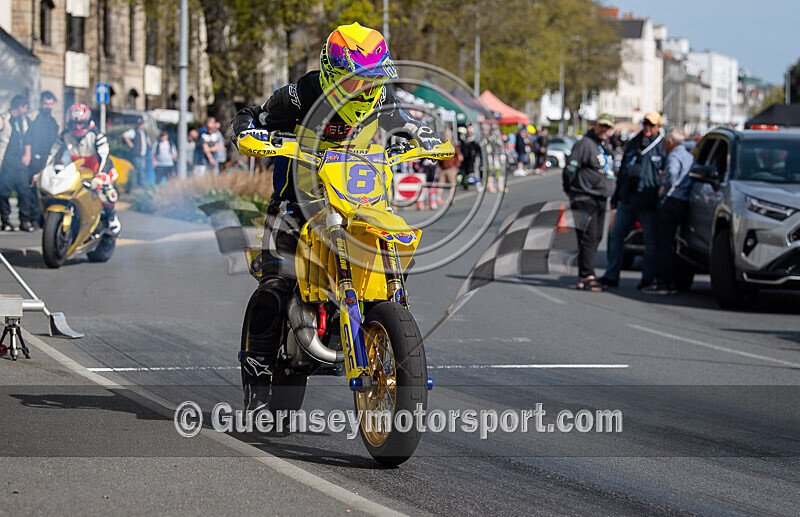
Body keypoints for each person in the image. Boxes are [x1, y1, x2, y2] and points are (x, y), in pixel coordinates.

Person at [230, 22, 443, 410]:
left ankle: (384, 326)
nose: (367, 88)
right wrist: (248, 131)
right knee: (276, 282)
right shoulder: (303, 94)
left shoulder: (381, 96)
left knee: (388, 253)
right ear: (333, 74)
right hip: (298, 202)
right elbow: (254, 115)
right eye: (358, 79)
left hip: (357, 202)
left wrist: (421, 135)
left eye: (374, 78)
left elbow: (402, 120)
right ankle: (259, 368)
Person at [601, 111, 666, 290]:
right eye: (645, 123)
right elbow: (623, 171)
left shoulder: (661, 146)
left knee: (650, 241)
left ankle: (647, 279)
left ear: (658, 127)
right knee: (616, 236)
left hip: (648, 201)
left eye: (651, 125)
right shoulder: (633, 143)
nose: (647, 127)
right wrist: (616, 197)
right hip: (627, 199)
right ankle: (611, 276)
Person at [47, 103, 121, 235]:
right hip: (79, 171)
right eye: (74, 123)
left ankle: (111, 217)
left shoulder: (97, 135)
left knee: (106, 193)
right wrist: (44, 171)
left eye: (80, 123)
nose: (77, 126)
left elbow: (104, 156)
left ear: (87, 121)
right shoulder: (64, 135)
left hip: (99, 170)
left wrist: (100, 176)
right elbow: (52, 153)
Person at [562, 114, 616, 291]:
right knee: (588, 237)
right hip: (585, 197)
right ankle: (587, 275)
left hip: (600, 197)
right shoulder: (585, 143)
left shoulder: (603, 145)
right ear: (595, 125)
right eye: (602, 126)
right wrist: (569, 188)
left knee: (597, 237)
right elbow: (570, 168)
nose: (604, 130)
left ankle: (585, 275)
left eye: (608, 127)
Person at [642, 129, 694, 294]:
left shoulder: (673, 156)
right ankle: (672, 281)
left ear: (671, 143)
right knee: (674, 244)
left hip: (671, 201)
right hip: (682, 201)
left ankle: (663, 282)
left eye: (665, 142)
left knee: (663, 243)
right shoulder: (688, 156)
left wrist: (666, 186)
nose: (663, 145)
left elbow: (672, 172)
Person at [0, 95, 31, 231]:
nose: (26, 110)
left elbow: (27, 139)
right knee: (4, 191)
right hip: (7, 160)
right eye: (25, 107)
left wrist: (27, 153)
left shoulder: (24, 121)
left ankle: (25, 220)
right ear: (20, 106)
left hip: (20, 161)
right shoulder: (5, 120)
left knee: (24, 190)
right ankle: (6, 220)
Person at [436, 128, 462, 207]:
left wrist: (455, 166)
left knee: (447, 184)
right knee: (447, 184)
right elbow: (459, 157)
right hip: (445, 168)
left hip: (448, 168)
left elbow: (459, 157)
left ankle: (446, 198)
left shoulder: (449, 145)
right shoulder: (448, 145)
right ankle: (443, 198)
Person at [122, 117, 151, 189]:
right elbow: (125, 135)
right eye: (139, 124)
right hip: (136, 154)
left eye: (141, 124)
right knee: (138, 170)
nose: (141, 125)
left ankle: (141, 185)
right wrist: (130, 143)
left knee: (142, 170)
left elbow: (147, 141)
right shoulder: (134, 132)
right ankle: (138, 185)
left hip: (143, 154)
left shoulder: (144, 133)